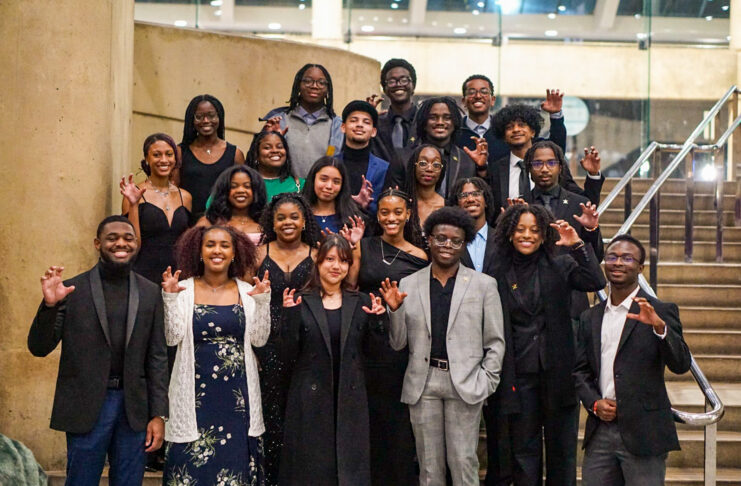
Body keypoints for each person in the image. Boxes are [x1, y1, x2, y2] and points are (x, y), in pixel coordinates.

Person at [28, 215, 168, 486]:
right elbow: (38, 347)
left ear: (136, 243)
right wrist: (49, 307)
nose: (121, 243)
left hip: (134, 408)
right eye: (112, 238)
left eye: (128, 238)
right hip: (87, 405)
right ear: (97, 243)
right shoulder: (71, 290)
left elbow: (157, 357)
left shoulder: (150, 292)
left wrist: (158, 414)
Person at [380, 206, 506, 486]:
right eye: (441, 238)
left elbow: (495, 342)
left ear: (465, 244)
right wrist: (395, 311)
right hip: (423, 385)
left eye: (455, 240)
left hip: (466, 383)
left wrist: (486, 381)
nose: (447, 245)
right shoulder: (408, 283)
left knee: (463, 463)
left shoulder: (484, 285)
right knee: (429, 469)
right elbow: (398, 342)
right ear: (429, 239)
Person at [487, 204, 606, 486]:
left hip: (559, 372)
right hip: (519, 375)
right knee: (523, 452)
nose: (526, 235)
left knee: (562, 452)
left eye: (534, 230)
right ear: (509, 233)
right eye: (520, 230)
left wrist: (577, 245)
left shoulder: (561, 263)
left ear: (543, 235)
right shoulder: (497, 269)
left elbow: (595, 280)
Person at [573, 235, 691, 486]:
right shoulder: (589, 317)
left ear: (640, 268)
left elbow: (680, 365)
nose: (618, 263)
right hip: (601, 431)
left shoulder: (660, 311)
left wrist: (661, 330)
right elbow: (579, 371)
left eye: (627, 258)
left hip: (645, 432)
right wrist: (594, 403)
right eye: (612, 257)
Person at [161, 225, 271, 485]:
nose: (217, 250)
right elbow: (172, 337)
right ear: (199, 251)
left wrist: (263, 302)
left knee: (234, 469)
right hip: (194, 400)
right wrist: (169, 298)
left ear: (235, 252)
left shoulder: (248, 290)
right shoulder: (182, 290)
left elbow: (259, 339)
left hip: (237, 401)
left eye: (224, 245)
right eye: (210, 244)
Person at [279, 234, 386, 486]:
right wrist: (290, 316)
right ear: (318, 262)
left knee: (350, 468)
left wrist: (379, 320)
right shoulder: (300, 300)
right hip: (310, 397)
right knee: (313, 469)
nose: (336, 266)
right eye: (329, 259)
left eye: (343, 261)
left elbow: (376, 354)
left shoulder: (362, 302)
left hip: (350, 396)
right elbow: (285, 355)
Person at [345, 188, 427, 486]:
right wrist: (353, 249)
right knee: (367, 414)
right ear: (377, 216)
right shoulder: (364, 246)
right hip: (363, 339)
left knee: (397, 417)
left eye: (396, 212)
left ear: (407, 215)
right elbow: (351, 285)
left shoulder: (420, 255)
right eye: (384, 212)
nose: (390, 218)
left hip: (400, 342)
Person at [253, 193, 320, 485]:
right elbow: (246, 295)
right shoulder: (258, 254)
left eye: (294, 217)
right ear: (272, 222)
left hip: (306, 342)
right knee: (271, 413)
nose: (288, 222)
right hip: (267, 342)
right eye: (281, 217)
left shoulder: (317, 255)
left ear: (304, 220)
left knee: (302, 411)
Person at [524, 140, 604, 319]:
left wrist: (591, 230)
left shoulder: (578, 203)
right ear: (529, 169)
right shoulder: (520, 205)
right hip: (530, 300)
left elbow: (596, 257)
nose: (544, 169)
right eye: (538, 163)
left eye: (551, 163)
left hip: (572, 300)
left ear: (561, 167)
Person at [487, 102, 603, 213]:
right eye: (509, 127)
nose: (516, 129)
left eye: (521, 125)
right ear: (503, 136)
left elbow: (587, 204)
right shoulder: (496, 169)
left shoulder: (552, 166)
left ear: (533, 131)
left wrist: (593, 175)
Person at [120, 133, 192, 284]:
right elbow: (132, 246)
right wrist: (133, 205)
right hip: (144, 277)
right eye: (157, 155)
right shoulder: (135, 194)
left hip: (178, 278)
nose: (164, 160)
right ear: (147, 159)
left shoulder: (185, 197)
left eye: (169, 154)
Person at [456, 77, 567, 165]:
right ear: (463, 101)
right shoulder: (454, 131)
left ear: (493, 100)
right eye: (471, 92)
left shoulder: (507, 130)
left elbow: (556, 150)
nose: (478, 96)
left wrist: (556, 115)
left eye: (484, 92)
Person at [261, 64, 343, 178]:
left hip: (321, 193)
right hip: (283, 192)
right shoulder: (279, 120)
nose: (314, 86)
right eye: (308, 81)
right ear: (298, 85)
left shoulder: (337, 126)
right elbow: (258, 160)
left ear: (328, 90)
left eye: (321, 83)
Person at [176, 94, 245, 222]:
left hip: (224, 224)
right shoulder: (180, 152)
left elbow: (242, 192)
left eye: (211, 115)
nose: (206, 121)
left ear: (219, 117)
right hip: (188, 224)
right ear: (192, 120)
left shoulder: (235, 154)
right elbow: (173, 190)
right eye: (199, 117)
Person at [406, 97, 488, 200]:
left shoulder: (466, 160)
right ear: (424, 123)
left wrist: (482, 168)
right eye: (433, 117)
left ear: (455, 122)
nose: (440, 122)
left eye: (447, 118)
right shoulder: (405, 158)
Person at [337, 100, 393, 216]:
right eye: (353, 120)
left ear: (373, 132)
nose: (359, 125)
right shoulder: (330, 165)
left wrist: (365, 206)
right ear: (343, 127)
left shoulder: (384, 168)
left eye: (366, 122)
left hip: (372, 230)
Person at [197, 165, 267, 248]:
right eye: (233, 186)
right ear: (224, 191)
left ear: (256, 191)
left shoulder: (266, 222)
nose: (240, 190)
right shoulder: (209, 221)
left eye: (247, 186)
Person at [302, 156, 364, 235]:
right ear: (313, 179)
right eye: (323, 179)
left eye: (336, 182)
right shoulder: (300, 213)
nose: (329, 186)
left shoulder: (352, 217)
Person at [449, 176, 498, 275]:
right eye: (464, 195)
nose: (470, 199)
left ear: (486, 201)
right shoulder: (450, 241)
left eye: (476, 194)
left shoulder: (501, 238)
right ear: (456, 204)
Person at [246, 130, 304, 202]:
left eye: (279, 147)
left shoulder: (300, 184)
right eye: (267, 147)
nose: (275, 150)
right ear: (256, 154)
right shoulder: (247, 184)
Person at [374, 58, 418, 152]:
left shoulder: (426, 122)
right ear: (385, 89)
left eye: (404, 80)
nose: (398, 84)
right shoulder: (376, 124)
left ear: (413, 85)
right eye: (392, 81)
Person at [403, 144, 446, 232]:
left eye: (436, 165)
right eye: (423, 163)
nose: (429, 169)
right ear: (414, 166)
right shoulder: (402, 204)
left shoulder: (447, 207)